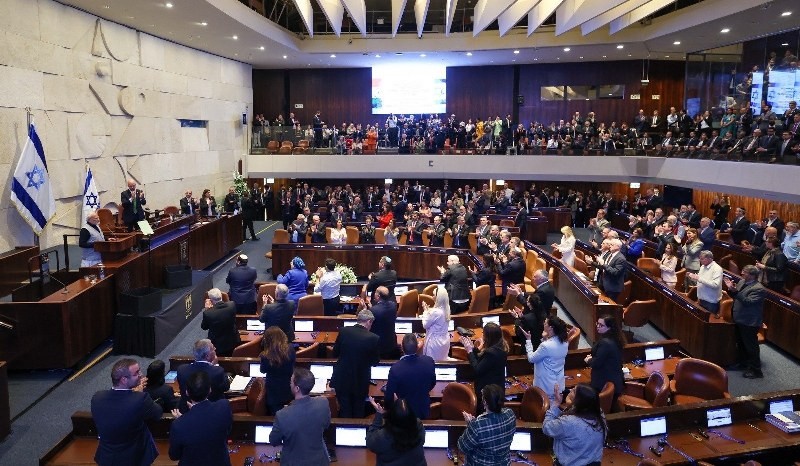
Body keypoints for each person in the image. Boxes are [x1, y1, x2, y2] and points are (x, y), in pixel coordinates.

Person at [91, 358, 162, 466]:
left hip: (106, 457)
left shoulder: (97, 397)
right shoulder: (140, 399)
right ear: (123, 380)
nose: (141, 375)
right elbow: (157, 413)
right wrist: (138, 394)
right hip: (135, 458)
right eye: (136, 373)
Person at [168, 371, 233, 466]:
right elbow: (227, 431)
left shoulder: (178, 425)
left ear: (187, 392)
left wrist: (184, 420)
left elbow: (174, 456)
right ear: (210, 390)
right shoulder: (224, 406)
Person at [270, 367, 331, 465]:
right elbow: (326, 425)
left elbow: (273, 441)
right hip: (320, 461)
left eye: (291, 382)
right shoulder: (323, 403)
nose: (289, 384)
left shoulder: (282, 415)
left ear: (297, 388)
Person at [330, 309, 380, 418]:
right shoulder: (373, 338)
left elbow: (335, 353)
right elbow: (375, 362)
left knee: (344, 410)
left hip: (342, 379)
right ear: (369, 322)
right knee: (358, 410)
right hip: (360, 381)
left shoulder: (343, 331)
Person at [543, 384, 606, 466]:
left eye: (574, 391)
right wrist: (571, 404)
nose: (570, 390)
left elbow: (546, 427)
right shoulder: (599, 414)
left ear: (579, 400)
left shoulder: (569, 422)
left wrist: (555, 404)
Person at [457, 384, 516, 466]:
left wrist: (470, 425)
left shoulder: (478, 425)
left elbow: (462, 447)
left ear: (484, 402)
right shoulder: (510, 414)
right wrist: (473, 424)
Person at [724, 266, 766, 379]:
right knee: (741, 344)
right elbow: (735, 296)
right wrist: (731, 289)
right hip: (739, 318)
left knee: (751, 347)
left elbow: (748, 302)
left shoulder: (759, 289)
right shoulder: (742, 281)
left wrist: (735, 291)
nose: (741, 273)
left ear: (752, 275)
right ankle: (743, 363)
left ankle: (756, 370)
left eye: (745, 272)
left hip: (749, 322)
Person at [384, 334, 436, 420]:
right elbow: (432, 383)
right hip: (423, 410)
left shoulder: (395, 369)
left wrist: (387, 411)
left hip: (403, 413)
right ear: (417, 347)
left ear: (402, 348)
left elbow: (389, 396)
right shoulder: (429, 361)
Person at [460, 323, 508, 413]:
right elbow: (483, 362)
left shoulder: (491, 353)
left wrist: (469, 351)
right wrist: (473, 349)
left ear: (488, 337)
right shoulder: (500, 348)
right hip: (496, 389)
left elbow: (477, 369)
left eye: (483, 333)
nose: (482, 336)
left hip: (488, 393)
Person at [366, 397, 426, 466]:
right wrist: (399, 409)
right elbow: (422, 441)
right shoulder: (418, 426)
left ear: (391, 418)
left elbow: (370, 442)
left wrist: (379, 414)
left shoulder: (383, 436)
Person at [521, 315, 569, 400]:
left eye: (545, 323)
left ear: (550, 327)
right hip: (559, 384)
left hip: (546, 386)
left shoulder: (546, 346)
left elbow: (531, 358)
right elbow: (551, 353)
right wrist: (545, 338)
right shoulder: (565, 342)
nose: (543, 324)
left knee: (545, 411)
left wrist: (528, 340)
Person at [176, 339, 230, 413]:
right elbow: (226, 387)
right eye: (213, 348)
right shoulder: (217, 372)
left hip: (187, 411)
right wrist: (216, 365)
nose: (215, 349)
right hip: (212, 412)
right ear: (208, 356)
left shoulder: (181, 370)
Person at [584, 315, 625, 400]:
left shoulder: (605, 343)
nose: (598, 327)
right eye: (597, 324)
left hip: (603, 383)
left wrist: (589, 360)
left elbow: (597, 363)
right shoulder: (616, 339)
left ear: (609, 328)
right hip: (615, 381)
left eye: (601, 325)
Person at [260, 326, 296, 414]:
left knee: (276, 416)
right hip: (288, 386)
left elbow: (263, 370)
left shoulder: (265, 355)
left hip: (274, 391)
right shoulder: (291, 349)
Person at [201, 288, 240, 357]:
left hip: (218, 346)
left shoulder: (208, 313)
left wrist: (207, 310)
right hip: (233, 340)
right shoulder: (232, 305)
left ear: (210, 300)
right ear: (221, 296)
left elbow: (204, 327)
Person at [364, 286, 400, 359]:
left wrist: (365, 310)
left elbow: (366, 325)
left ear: (378, 296)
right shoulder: (393, 305)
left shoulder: (373, 310)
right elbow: (381, 312)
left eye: (375, 293)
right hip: (391, 342)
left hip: (378, 346)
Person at [587, 238, 627, 302]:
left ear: (617, 247)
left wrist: (603, 264)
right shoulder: (610, 255)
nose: (609, 246)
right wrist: (592, 262)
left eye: (612, 244)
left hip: (612, 287)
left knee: (608, 307)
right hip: (603, 283)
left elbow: (615, 272)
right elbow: (604, 268)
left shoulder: (621, 259)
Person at [688, 250, 723, 315]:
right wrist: (692, 277)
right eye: (700, 258)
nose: (700, 260)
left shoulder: (717, 269)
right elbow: (700, 280)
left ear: (709, 258)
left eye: (702, 259)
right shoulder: (702, 267)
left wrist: (699, 278)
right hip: (701, 299)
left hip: (710, 302)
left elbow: (715, 285)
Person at [421, 287, 452, 361]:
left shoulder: (436, 312)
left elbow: (425, 324)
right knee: (442, 361)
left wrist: (425, 311)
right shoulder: (447, 309)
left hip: (435, 343)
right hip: (444, 341)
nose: (432, 297)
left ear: (439, 298)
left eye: (434, 295)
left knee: (432, 363)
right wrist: (429, 312)